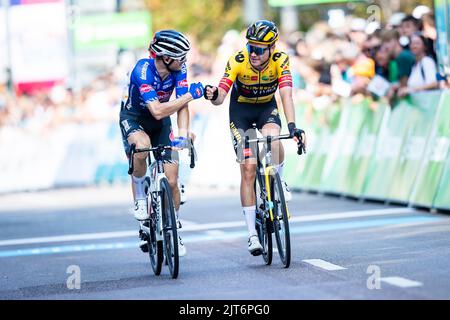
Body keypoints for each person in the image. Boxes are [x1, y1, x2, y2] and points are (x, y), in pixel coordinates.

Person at [203, 20, 306, 256]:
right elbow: (221, 97)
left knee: (274, 138)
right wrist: (213, 95)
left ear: (271, 48)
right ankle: (251, 234)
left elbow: (287, 95)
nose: (254, 54)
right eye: (251, 47)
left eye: (260, 49)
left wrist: (292, 126)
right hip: (240, 113)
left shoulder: (281, 60)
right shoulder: (238, 61)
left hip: (265, 109)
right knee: (248, 168)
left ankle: (278, 182)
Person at [119, 30, 205, 256]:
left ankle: (175, 228)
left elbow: (182, 105)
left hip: (162, 122)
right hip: (135, 118)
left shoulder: (179, 69)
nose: (185, 61)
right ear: (167, 58)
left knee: (173, 178)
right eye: (181, 57)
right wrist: (188, 96)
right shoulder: (142, 70)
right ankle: (139, 199)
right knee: (142, 145)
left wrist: (184, 133)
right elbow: (157, 110)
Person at [397, 32, 438, 97]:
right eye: (412, 43)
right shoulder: (415, 65)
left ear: (425, 46)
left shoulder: (427, 61)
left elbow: (433, 84)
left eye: (417, 43)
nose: (414, 46)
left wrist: (410, 90)